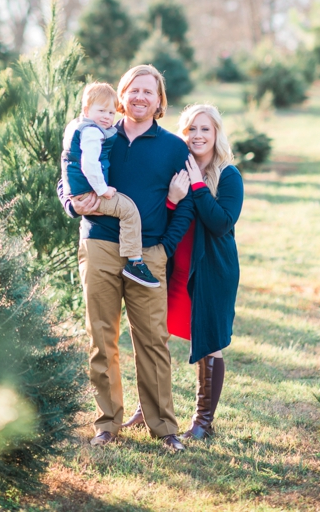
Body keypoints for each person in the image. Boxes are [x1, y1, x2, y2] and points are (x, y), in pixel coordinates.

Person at [58, 64, 193, 452]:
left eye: (148, 92)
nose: (139, 97)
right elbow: (67, 172)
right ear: (121, 95)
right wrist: (71, 202)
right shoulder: (98, 132)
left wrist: (164, 247)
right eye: (133, 90)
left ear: (159, 101)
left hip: (148, 252)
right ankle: (107, 424)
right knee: (102, 337)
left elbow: (186, 202)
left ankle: (165, 427)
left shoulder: (173, 147)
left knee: (152, 341)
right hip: (99, 243)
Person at [124, 104, 243, 440]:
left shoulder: (228, 175)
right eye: (191, 129)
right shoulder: (173, 170)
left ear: (216, 134)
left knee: (208, 340)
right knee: (155, 335)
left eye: (205, 129)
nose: (198, 135)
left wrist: (198, 185)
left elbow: (221, 223)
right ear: (183, 134)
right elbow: (160, 218)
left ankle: (203, 422)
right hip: (175, 267)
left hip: (212, 271)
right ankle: (146, 409)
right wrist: (174, 198)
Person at [60, 81, 160, 288]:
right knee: (128, 210)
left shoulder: (78, 127)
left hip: (82, 190)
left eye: (111, 112)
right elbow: (88, 164)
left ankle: (133, 259)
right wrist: (101, 190)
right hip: (88, 195)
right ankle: (135, 261)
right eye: (101, 111)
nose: (107, 117)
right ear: (87, 110)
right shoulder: (92, 132)